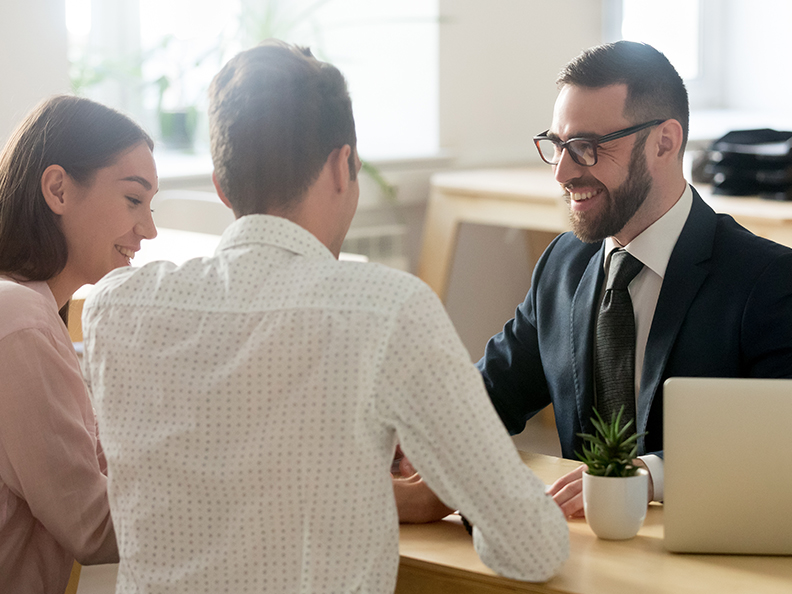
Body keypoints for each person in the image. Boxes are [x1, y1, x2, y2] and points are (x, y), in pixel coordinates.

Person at [81, 40, 568, 594]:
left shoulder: (113, 309)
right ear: (344, 166)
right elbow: (534, 546)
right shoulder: (387, 310)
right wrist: (446, 478)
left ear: (222, 187)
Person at [475, 40, 792, 518]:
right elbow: (488, 396)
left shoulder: (767, 281)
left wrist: (645, 477)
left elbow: (780, 438)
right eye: (557, 145)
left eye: (586, 148)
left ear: (664, 142)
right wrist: (403, 444)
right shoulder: (562, 265)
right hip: (579, 552)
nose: (562, 172)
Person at [0, 95, 158, 593]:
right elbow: (94, 526)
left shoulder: (26, 311)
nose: (148, 230)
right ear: (58, 189)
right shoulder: (21, 322)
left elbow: (92, 463)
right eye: (134, 200)